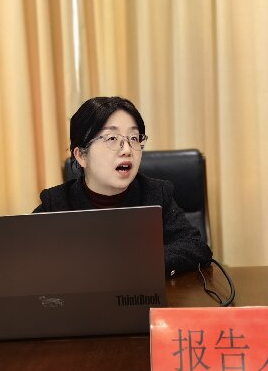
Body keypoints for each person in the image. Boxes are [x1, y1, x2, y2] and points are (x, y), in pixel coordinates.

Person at [32, 96, 212, 276]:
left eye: (134, 138)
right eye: (112, 138)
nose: (127, 150)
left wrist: (139, 263)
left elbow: (196, 246)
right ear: (81, 156)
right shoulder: (56, 203)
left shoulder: (156, 194)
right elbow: (26, 258)